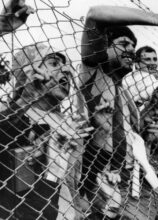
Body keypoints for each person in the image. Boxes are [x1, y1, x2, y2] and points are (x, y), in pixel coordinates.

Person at [77, 4, 158, 216]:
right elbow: (94, 16)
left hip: (129, 176)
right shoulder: (94, 74)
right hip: (99, 169)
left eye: (133, 45)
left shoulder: (124, 95)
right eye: (123, 43)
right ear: (105, 45)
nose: (131, 50)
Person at [0, 42, 92, 219]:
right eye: (54, 63)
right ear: (27, 72)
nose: (66, 70)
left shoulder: (70, 125)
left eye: (66, 65)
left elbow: (71, 179)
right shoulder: (13, 118)